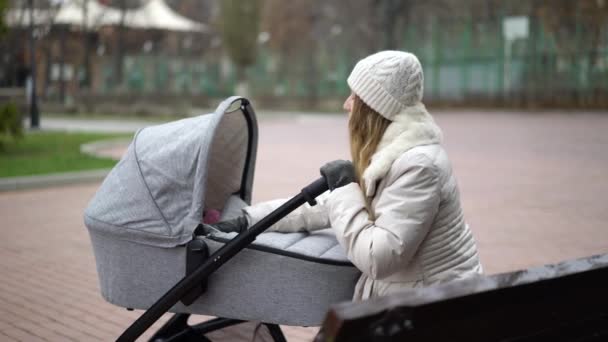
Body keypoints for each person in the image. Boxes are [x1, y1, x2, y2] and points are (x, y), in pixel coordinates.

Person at [213, 50, 483, 300]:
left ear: (373, 107)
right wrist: (247, 221)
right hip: (421, 299)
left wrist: (344, 188)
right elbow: (326, 208)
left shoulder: (419, 166)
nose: (346, 104)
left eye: (354, 96)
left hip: (432, 310)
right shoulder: (395, 153)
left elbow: (379, 257)